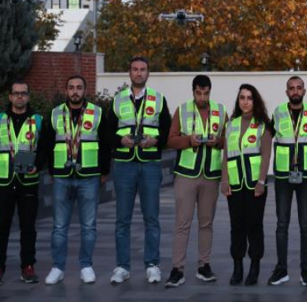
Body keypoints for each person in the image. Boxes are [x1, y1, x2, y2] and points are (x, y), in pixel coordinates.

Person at [106, 56, 171, 285]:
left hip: (150, 164)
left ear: (148, 73)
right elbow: (107, 131)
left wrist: (155, 141)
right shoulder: (118, 99)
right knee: (122, 219)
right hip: (124, 164)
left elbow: (167, 130)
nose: (139, 73)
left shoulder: (158, 99)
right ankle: (122, 267)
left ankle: (152, 265)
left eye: (143, 69)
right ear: (129, 72)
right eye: (135, 69)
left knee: (151, 217)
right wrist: (120, 140)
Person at [40, 75, 111, 285]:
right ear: (66, 90)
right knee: (59, 226)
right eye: (71, 87)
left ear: (85, 91)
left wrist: (104, 171)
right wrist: (49, 169)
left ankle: (86, 266)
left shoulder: (97, 113)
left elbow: (106, 144)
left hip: (89, 176)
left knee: (88, 226)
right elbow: (46, 143)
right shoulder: (55, 113)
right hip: (62, 177)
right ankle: (57, 267)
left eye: (79, 88)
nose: (75, 91)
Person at [165, 75, 228, 287]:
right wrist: (189, 140)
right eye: (199, 93)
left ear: (210, 91)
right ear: (193, 91)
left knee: (206, 223)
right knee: (182, 223)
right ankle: (177, 269)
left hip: (211, 175)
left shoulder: (221, 110)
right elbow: (171, 140)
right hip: (186, 174)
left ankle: (204, 266)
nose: (202, 97)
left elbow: (229, 141)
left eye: (206, 93)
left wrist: (217, 141)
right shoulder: (182, 110)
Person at [0, 81, 46, 286]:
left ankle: (28, 267)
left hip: (28, 180)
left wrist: (37, 165)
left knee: (28, 226)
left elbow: (44, 148)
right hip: (4, 180)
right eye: (16, 93)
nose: (20, 97)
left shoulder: (38, 120)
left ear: (28, 96)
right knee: (1, 225)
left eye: (23, 93)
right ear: (10, 97)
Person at [268, 76, 307, 286]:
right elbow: (266, 137)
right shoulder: (278, 112)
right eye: (291, 88)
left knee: (306, 225)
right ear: (286, 92)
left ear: (304, 91)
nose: (295, 91)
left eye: (299, 88)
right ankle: (282, 269)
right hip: (283, 176)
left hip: (305, 175)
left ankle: (306, 270)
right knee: (282, 224)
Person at [220, 84, 272, 286]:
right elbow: (226, 155)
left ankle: (254, 266)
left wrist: (261, 182)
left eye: (249, 98)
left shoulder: (262, 125)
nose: (245, 101)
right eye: (242, 97)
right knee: (237, 226)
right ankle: (238, 266)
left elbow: (266, 155)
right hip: (234, 185)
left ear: (255, 101)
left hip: (255, 185)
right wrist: (225, 181)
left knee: (254, 225)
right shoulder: (231, 124)